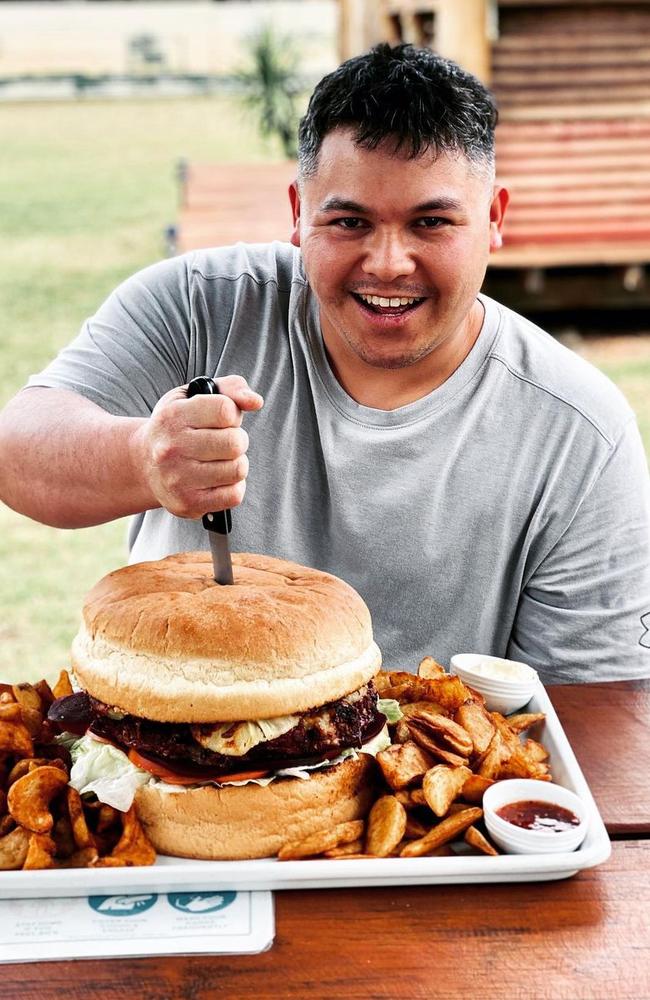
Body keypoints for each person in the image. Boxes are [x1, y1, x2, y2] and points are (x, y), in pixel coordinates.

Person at [0, 44, 648, 683]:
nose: (388, 262)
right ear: (298, 214)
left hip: (432, 781)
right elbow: (18, 452)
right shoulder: (200, 303)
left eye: (431, 222)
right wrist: (142, 456)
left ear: (494, 219)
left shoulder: (581, 432)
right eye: (348, 222)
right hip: (167, 755)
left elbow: (598, 701)